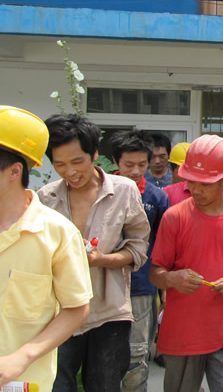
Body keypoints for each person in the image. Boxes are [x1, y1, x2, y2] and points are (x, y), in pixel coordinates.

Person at [38, 114, 150, 392]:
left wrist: (102, 260)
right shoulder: (45, 198)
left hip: (109, 311)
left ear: (95, 154)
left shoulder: (124, 191)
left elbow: (138, 246)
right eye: (60, 164)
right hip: (60, 310)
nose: (70, 172)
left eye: (77, 161)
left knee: (104, 385)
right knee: (57, 384)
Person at [149, 135, 223, 392]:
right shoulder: (174, 217)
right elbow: (155, 272)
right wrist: (172, 279)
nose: (196, 189)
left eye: (205, 183)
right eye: (190, 181)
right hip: (184, 328)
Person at [0, 106, 92, 391]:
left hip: (21, 380)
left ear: (15, 171)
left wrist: (23, 356)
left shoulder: (57, 233)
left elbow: (76, 308)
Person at [110, 130, 170, 392]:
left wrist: (164, 286)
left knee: (137, 352)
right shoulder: (101, 193)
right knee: (106, 352)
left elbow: (164, 243)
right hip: (104, 284)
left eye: (142, 165)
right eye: (129, 165)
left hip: (142, 285)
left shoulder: (157, 198)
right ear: (115, 162)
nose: (136, 171)